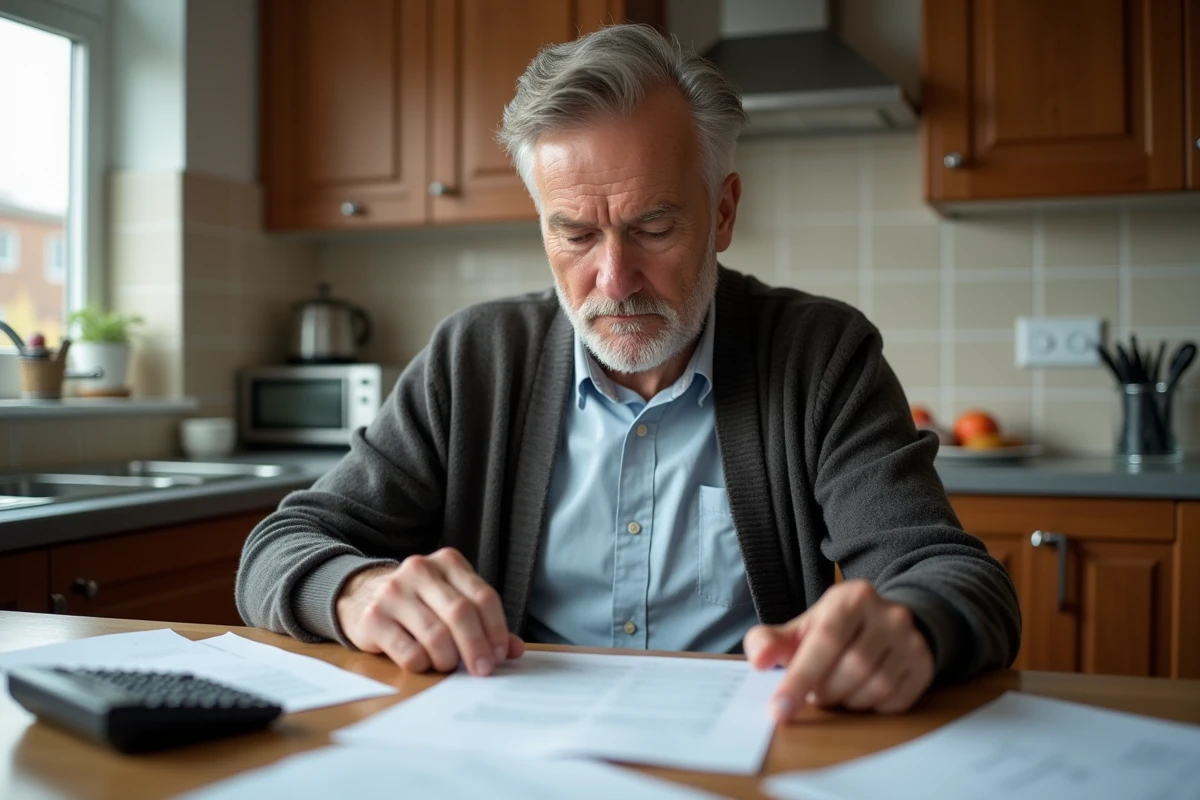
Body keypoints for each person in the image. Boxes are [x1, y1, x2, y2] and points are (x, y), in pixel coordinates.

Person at [236, 24, 1020, 719]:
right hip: (509, 753)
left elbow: (952, 575)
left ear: (722, 214)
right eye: (574, 234)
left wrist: (912, 627)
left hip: (753, 746)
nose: (614, 280)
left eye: (653, 226)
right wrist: (356, 592)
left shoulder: (821, 356)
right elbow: (283, 542)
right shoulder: (474, 358)